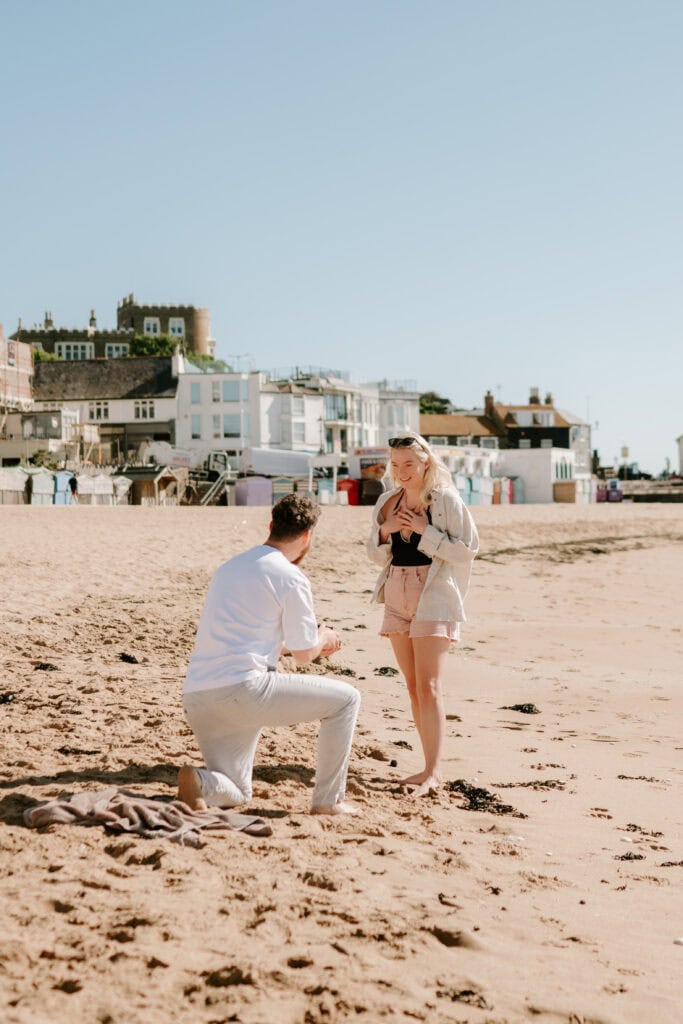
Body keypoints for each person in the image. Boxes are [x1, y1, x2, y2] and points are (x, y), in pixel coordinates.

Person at [178, 494, 361, 816]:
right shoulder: (290, 576)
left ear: (271, 525)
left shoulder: (229, 568)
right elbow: (305, 654)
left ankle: (199, 781)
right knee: (347, 700)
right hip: (244, 690)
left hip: (199, 695)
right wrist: (325, 636)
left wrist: (307, 641)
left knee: (237, 791)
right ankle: (328, 801)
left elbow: (262, 642)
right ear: (307, 537)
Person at [367, 431, 479, 796]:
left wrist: (424, 531)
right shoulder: (387, 500)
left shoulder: (444, 500)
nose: (401, 471)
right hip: (396, 591)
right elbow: (376, 554)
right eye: (396, 464)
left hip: (433, 592)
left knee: (430, 687)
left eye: (409, 464)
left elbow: (467, 551)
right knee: (414, 687)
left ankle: (434, 771)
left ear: (425, 462)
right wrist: (386, 531)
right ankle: (426, 766)